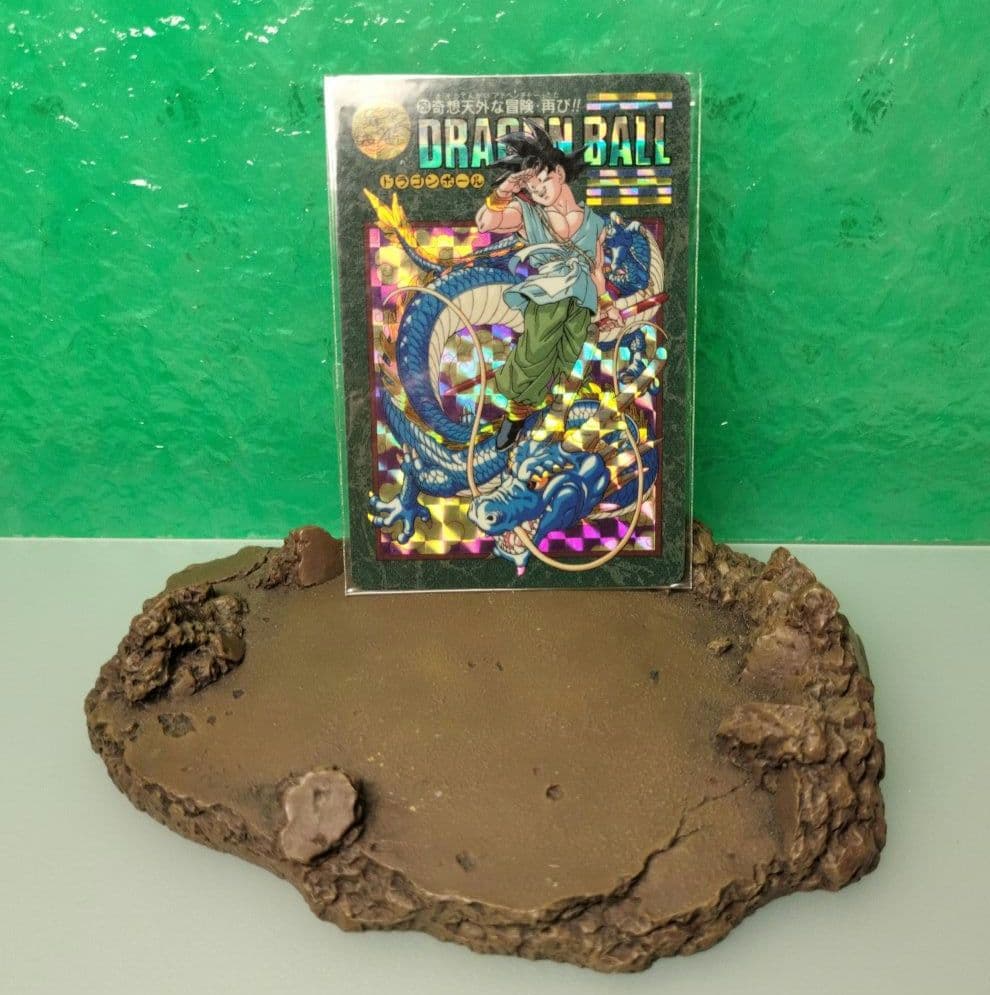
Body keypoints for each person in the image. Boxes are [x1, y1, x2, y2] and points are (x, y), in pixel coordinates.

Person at [476, 122, 621, 450]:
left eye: (542, 180)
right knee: (534, 356)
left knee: (572, 363)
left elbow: (596, 269)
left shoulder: (594, 222)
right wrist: (503, 192)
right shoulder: (527, 214)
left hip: (582, 301)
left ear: (559, 173)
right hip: (547, 297)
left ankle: (556, 421)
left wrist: (607, 305)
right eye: (531, 186)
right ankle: (515, 417)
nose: (538, 190)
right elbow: (485, 222)